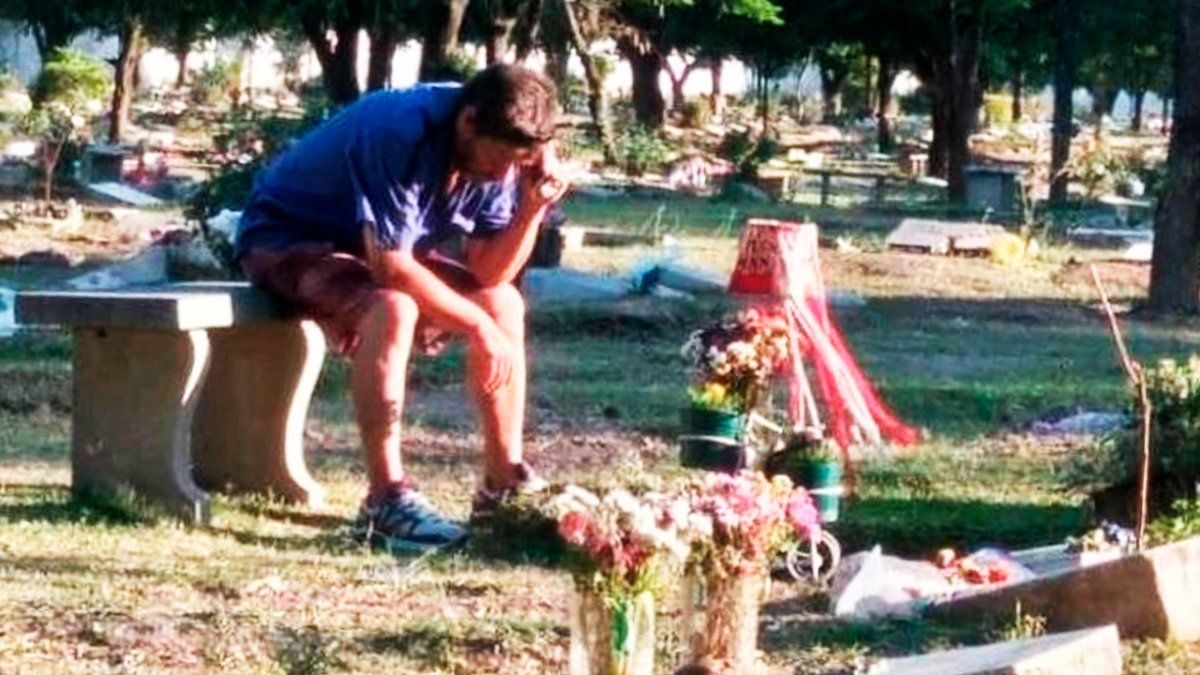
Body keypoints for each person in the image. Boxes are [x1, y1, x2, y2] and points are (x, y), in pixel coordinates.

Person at [234, 65, 568, 551]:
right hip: (288, 243)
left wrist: (531, 209)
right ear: (468, 122)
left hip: (368, 251)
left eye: (514, 164)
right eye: (498, 160)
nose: (502, 175)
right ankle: (385, 500)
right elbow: (391, 268)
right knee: (393, 309)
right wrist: (475, 327)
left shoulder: (501, 146)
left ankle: (502, 486)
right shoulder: (400, 131)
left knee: (503, 304)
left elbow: (490, 272)